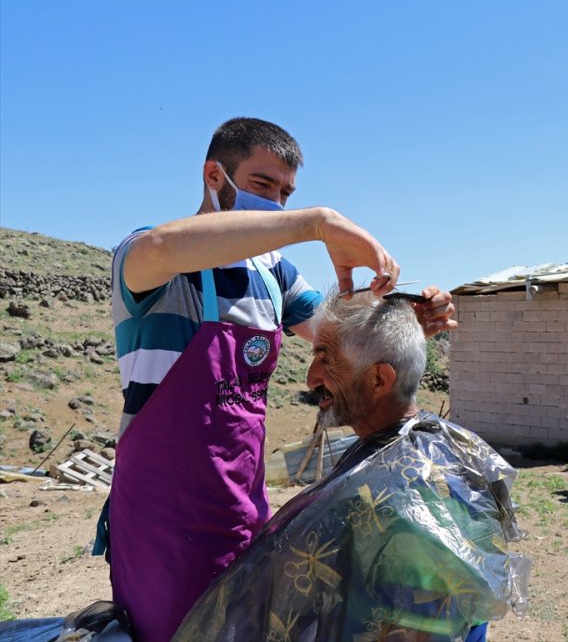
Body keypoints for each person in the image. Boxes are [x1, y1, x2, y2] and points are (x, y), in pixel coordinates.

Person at [103, 117, 457, 642]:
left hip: (243, 509)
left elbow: (342, 329)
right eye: (262, 186)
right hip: (162, 525)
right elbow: (159, 247)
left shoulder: (274, 278)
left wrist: (405, 319)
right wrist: (317, 223)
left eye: (286, 194)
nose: (276, 204)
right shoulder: (156, 262)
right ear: (214, 176)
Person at [172, 292, 529, 641]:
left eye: (326, 359)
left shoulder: (405, 501)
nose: (311, 378)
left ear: (379, 380)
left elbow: (419, 627)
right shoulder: (447, 450)